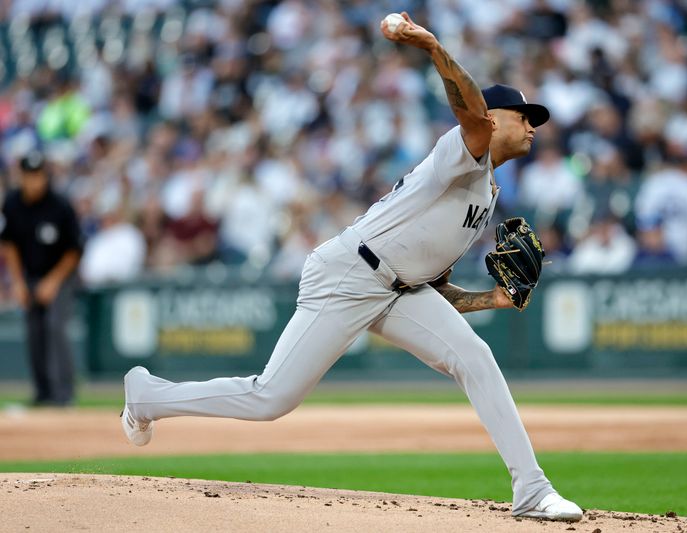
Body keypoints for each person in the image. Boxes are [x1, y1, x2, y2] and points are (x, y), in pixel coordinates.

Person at [121, 13, 583, 522]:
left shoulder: (486, 192)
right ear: (494, 118)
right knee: (271, 398)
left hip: (398, 289)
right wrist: (430, 46)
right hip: (350, 273)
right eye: (524, 116)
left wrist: (489, 300)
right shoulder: (463, 149)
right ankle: (146, 397)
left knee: (474, 356)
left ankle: (533, 490)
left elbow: (436, 286)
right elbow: (472, 114)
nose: (533, 126)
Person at [0, 150, 83, 406]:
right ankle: (43, 393)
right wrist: (18, 282)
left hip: (61, 276)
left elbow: (75, 250)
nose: (34, 181)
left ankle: (64, 394)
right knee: (34, 332)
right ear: (21, 176)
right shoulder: (12, 202)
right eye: (29, 175)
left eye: (38, 175)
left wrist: (52, 282)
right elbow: (9, 244)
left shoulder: (60, 205)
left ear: (45, 176)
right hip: (30, 275)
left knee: (55, 328)